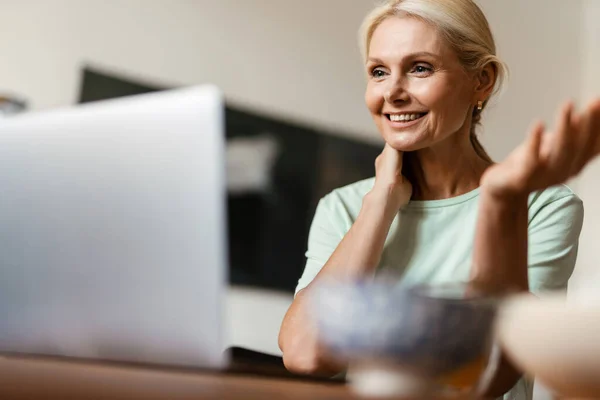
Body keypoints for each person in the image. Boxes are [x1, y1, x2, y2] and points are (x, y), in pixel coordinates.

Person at [277, 0, 600, 399]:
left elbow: (495, 370)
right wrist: (381, 203)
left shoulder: (541, 206)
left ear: (482, 80)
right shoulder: (343, 206)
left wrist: (502, 203)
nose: (392, 92)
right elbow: (306, 356)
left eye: (419, 68)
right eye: (379, 72)